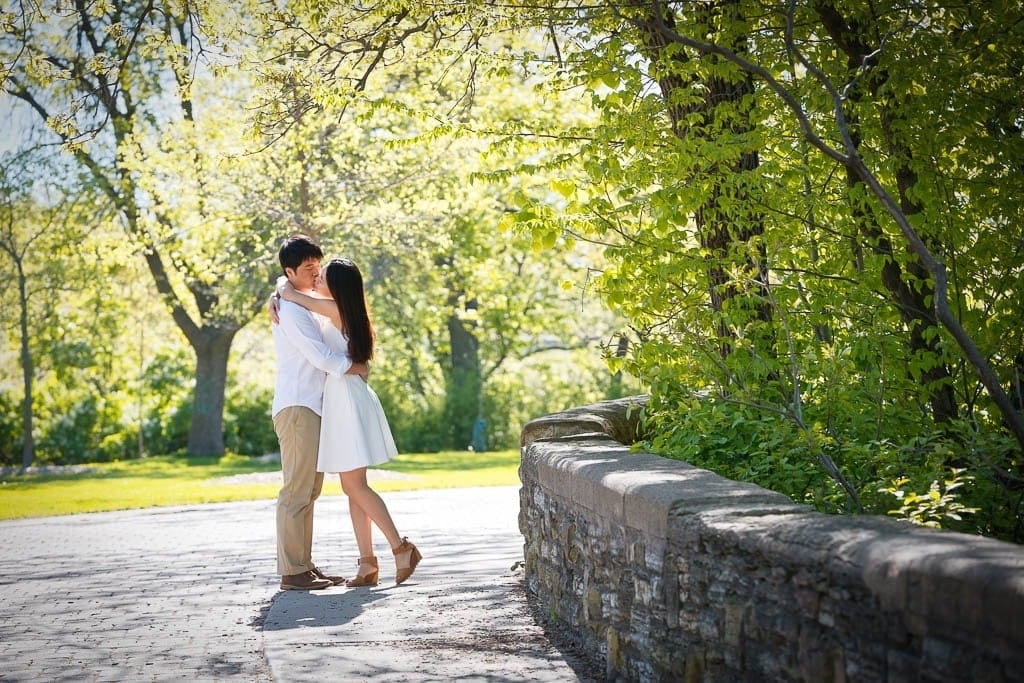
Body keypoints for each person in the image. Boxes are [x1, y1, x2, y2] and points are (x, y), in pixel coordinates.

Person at [278, 257, 422, 587]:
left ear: (338, 287)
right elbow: (292, 293)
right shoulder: (341, 310)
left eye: (323, 276)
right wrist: (278, 292)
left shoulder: (335, 310)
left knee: (353, 485)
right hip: (344, 397)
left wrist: (281, 292)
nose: (316, 279)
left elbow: (295, 295)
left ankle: (401, 549)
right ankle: (367, 564)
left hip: (346, 398)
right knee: (353, 488)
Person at [271, 235, 370, 591]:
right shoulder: (292, 311)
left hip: (312, 406)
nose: (316, 274)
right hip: (298, 406)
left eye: (318, 267)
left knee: (309, 490)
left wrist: (282, 289)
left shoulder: (300, 301)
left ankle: (303, 566)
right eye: (309, 269)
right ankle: (292, 571)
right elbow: (320, 358)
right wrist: (354, 366)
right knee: (296, 491)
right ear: (290, 271)